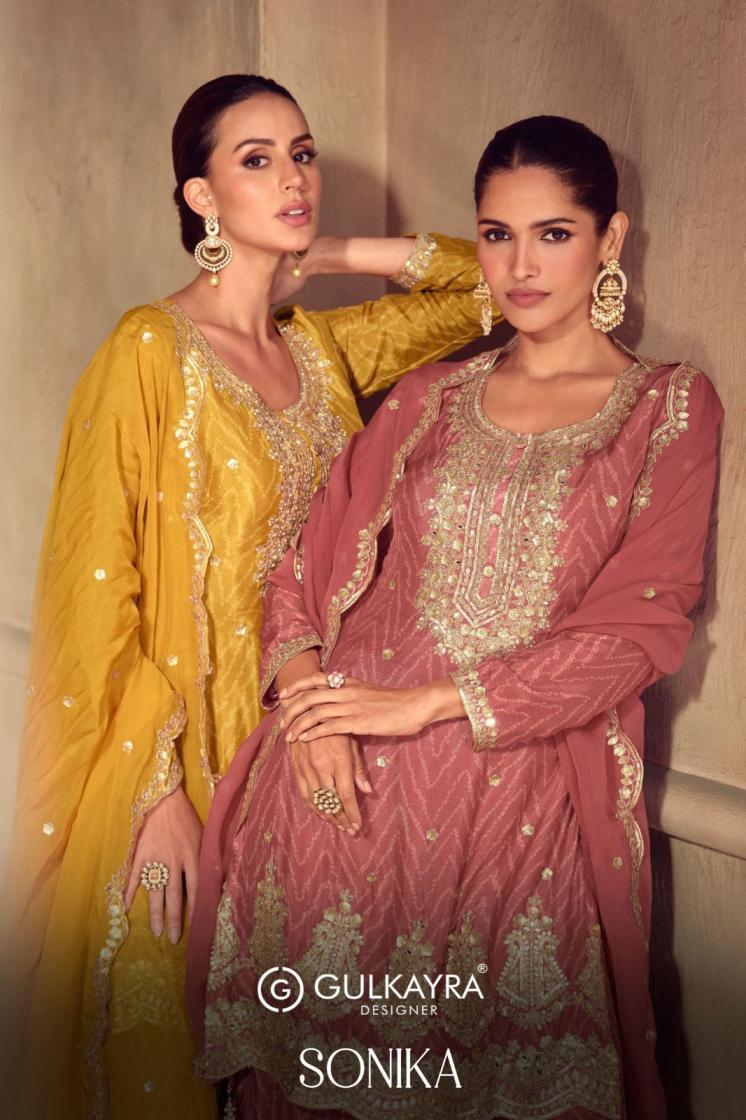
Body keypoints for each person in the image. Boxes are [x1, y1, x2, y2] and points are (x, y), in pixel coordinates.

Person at [187, 115, 723, 1120]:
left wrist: (425, 704)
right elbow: (297, 568)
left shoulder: (668, 408)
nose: (519, 266)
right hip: (332, 810)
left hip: (512, 821)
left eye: (553, 234)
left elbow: (636, 632)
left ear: (609, 238)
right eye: (495, 235)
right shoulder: (426, 397)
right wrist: (307, 707)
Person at [3, 73, 497, 1119]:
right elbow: (98, 590)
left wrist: (334, 252)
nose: (293, 178)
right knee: (161, 1060)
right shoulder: (149, 350)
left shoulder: (319, 350)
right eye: (256, 160)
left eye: (303, 154)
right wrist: (154, 800)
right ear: (200, 197)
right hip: (179, 768)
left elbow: (492, 288)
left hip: (303, 764)